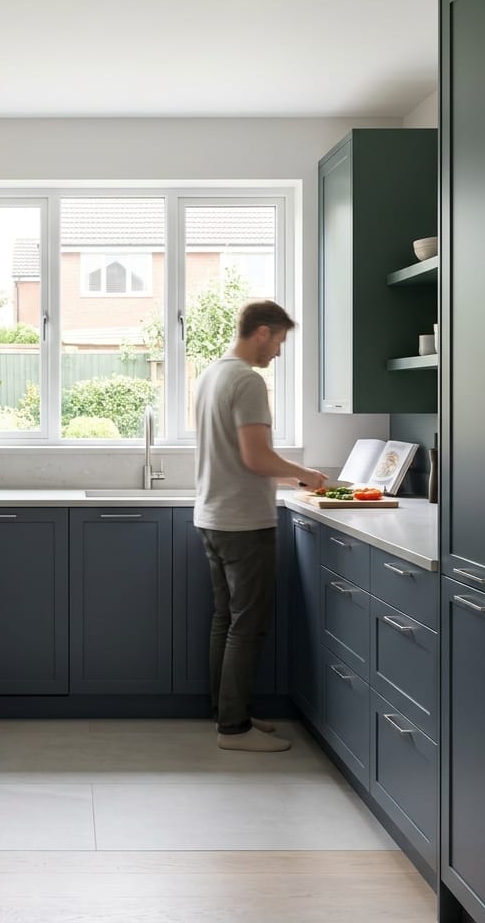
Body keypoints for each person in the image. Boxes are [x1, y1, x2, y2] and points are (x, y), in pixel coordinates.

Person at [193, 300, 327, 752]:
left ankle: (227, 714)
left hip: (213, 516)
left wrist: (291, 475)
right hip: (243, 523)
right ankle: (234, 729)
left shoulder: (212, 374)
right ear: (264, 332)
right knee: (247, 626)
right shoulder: (248, 380)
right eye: (281, 341)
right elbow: (255, 458)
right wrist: (305, 474)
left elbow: (239, 455)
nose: (279, 353)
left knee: (226, 620)